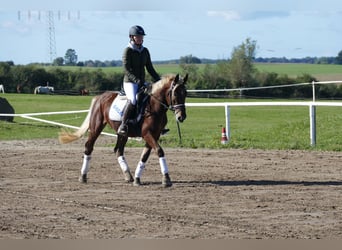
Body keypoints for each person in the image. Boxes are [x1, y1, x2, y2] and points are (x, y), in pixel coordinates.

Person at [118, 25, 161, 136]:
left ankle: (156, 125)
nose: (140, 38)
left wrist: (158, 79)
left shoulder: (145, 51)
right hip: (130, 82)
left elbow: (150, 68)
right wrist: (136, 80)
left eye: (141, 36)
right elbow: (126, 69)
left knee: (153, 98)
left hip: (141, 82)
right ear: (132, 37)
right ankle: (123, 124)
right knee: (133, 100)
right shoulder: (128, 51)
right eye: (138, 36)